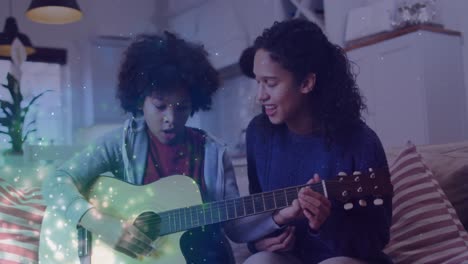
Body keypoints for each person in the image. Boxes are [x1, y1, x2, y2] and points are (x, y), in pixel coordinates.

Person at [42, 32, 254, 264]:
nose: (170, 118)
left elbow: (236, 226)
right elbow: (55, 183)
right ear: (139, 101)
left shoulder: (213, 152)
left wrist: (280, 215)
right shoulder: (121, 143)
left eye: (182, 107)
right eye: (160, 106)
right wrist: (100, 223)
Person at [238, 19, 393, 264]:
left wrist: (326, 223)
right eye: (258, 82)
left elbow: (376, 240)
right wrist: (258, 242)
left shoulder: (361, 142)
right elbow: (259, 210)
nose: (260, 96)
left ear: (306, 83)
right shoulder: (260, 133)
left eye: (271, 83)